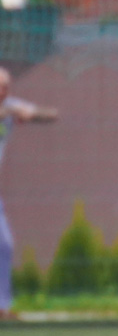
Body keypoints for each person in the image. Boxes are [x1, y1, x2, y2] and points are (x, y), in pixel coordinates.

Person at [0, 66, 58, 320]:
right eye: (0, 86)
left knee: (4, 244)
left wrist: (28, 113)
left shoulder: (9, 105)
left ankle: (2, 307)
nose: (4, 90)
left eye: (6, 86)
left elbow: (51, 115)